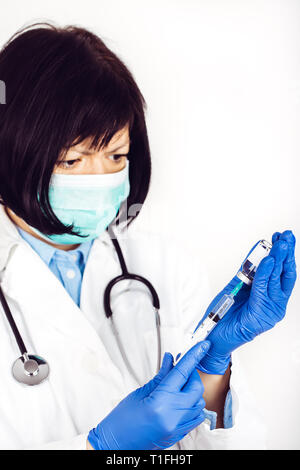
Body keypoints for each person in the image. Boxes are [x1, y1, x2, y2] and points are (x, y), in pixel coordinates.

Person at [0, 22, 296, 450]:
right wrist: (100, 448)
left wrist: (213, 368)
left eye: (116, 155)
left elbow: (241, 443)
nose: (100, 177)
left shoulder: (166, 269)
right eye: (72, 160)